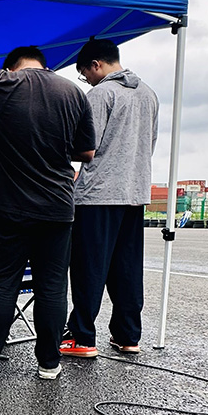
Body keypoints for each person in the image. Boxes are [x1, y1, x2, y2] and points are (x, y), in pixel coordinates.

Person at [0, 0, 96, 380]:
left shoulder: (2, 83)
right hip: (58, 208)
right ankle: (50, 363)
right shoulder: (73, 92)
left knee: (3, 283)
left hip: (11, 206)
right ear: (45, 66)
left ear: (11, 66)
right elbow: (87, 152)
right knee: (52, 286)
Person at [61, 39, 159, 358]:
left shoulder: (101, 94)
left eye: (85, 73)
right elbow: (150, 143)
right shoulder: (149, 94)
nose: (86, 80)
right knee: (127, 268)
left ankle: (82, 337)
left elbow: (87, 148)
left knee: (89, 267)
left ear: (96, 65)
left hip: (98, 195)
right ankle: (128, 336)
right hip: (134, 192)